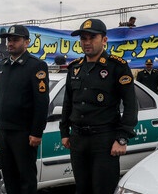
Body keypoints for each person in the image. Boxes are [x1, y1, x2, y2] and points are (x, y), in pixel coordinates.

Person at [59, 18, 138, 194]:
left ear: (104, 40)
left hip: (104, 141)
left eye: (92, 38)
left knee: (103, 189)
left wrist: (122, 138)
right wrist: (64, 132)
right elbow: (68, 102)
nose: (87, 42)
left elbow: (131, 105)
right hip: (78, 140)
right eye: (83, 38)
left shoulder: (117, 67)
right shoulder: (75, 68)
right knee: (82, 189)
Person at [0, 25, 50, 194]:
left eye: (15, 40)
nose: (10, 43)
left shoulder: (36, 66)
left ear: (27, 42)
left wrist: (37, 132)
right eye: (9, 40)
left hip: (24, 133)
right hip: (5, 132)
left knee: (25, 178)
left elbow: (41, 102)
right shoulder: (3, 65)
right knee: (9, 177)